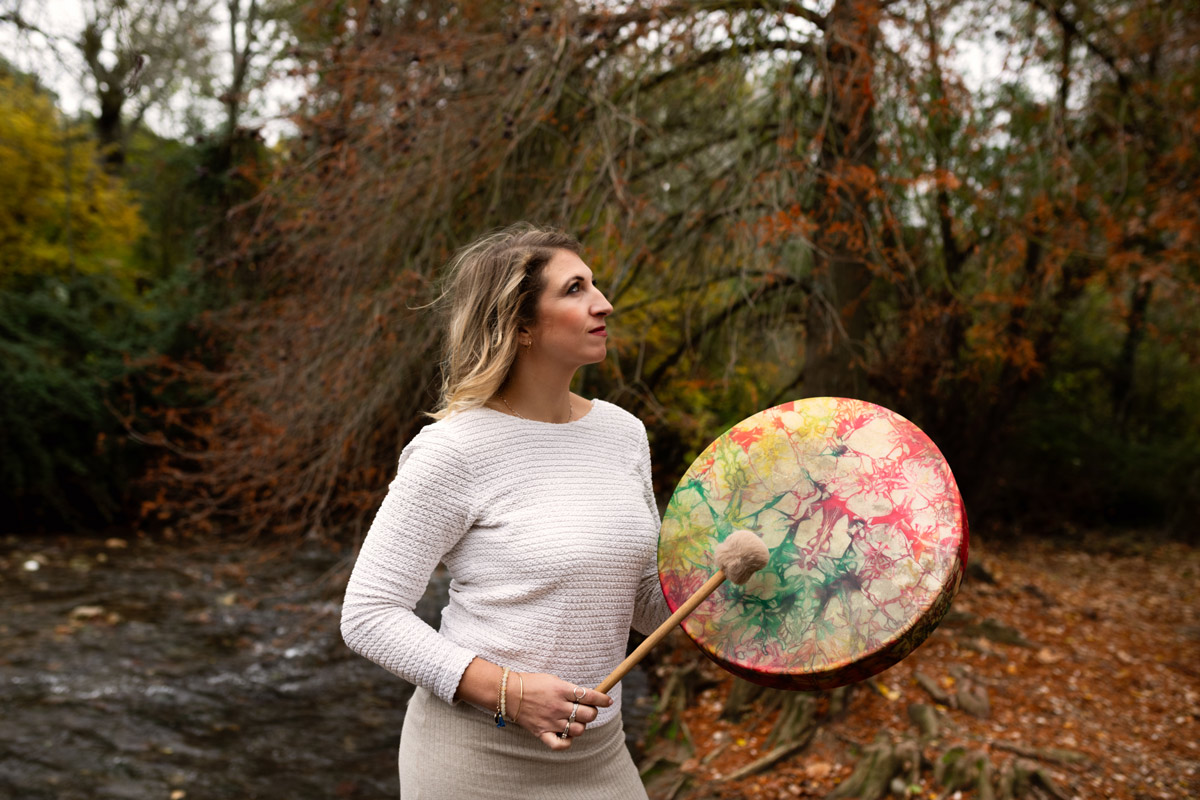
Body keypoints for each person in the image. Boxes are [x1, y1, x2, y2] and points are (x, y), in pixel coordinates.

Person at [340, 223, 673, 798]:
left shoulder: (623, 433)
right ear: (519, 325)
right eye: (575, 289)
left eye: (594, 284)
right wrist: (509, 692)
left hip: (600, 755)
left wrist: (723, 579)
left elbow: (643, 602)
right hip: (474, 761)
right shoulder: (455, 450)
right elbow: (369, 614)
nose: (604, 303)